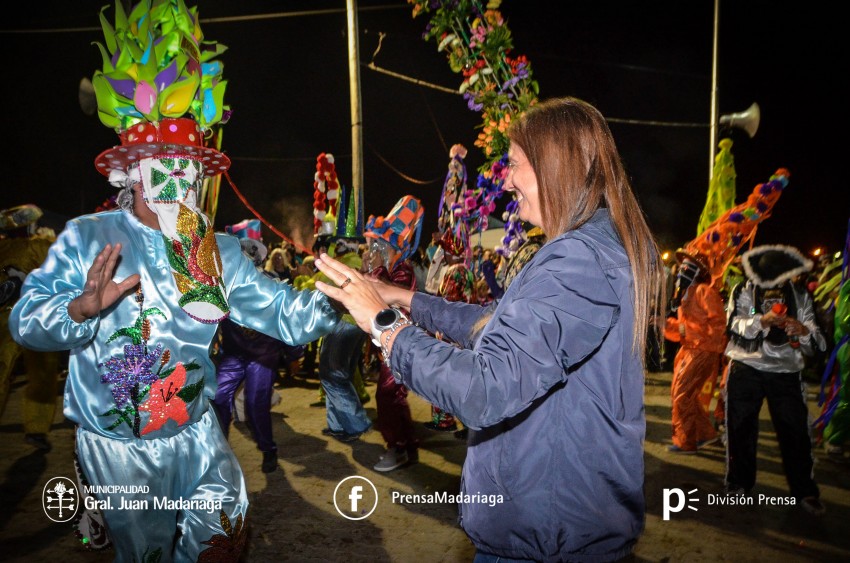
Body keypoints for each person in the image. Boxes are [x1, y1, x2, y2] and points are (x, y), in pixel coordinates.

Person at [8, 2, 339, 559]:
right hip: (117, 454)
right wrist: (80, 310)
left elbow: (284, 312)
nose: (177, 177)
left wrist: (345, 298)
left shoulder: (214, 246)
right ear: (129, 171)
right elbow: (24, 323)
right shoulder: (90, 237)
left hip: (196, 437)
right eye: (161, 162)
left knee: (223, 537)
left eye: (187, 164)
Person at [314, 97, 662, 561]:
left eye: (515, 163)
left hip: (549, 537)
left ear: (555, 164)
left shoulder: (578, 259)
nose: (507, 178)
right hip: (554, 524)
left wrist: (384, 325)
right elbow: (494, 324)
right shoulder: (582, 248)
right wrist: (407, 300)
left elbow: (485, 389)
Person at [724, 244, 827, 515]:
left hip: (786, 371)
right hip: (747, 367)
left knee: (795, 431)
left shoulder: (801, 295)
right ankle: (739, 484)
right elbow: (733, 324)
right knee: (740, 428)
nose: (776, 281)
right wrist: (762, 321)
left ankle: (804, 490)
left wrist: (803, 330)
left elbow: (819, 341)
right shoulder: (743, 291)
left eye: (782, 276)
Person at [213, 220, 288, 473]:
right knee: (218, 396)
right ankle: (219, 447)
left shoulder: (268, 282)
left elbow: (284, 316)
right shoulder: (223, 286)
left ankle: (268, 449)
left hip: (262, 355)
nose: (247, 255)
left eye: (251, 250)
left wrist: (295, 352)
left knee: (257, 404)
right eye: (242, 250)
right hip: (234, 353)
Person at [361, 195, 424, 472]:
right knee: (394, 397)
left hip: (400, 346)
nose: (373, 249)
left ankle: (397, 448)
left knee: (388, 396)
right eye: (373, 244)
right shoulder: (386, 270)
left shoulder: (402, 271)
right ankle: (408, 446)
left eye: (378, 244)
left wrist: (370, 276)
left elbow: (388, 299)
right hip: (389, 345)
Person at [0, 204, 62, 451]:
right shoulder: (43, 246)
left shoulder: (5, 247)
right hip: (37, 319)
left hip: (11, 319)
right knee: (43, 376)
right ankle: (37, 430)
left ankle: (37, 430)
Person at [664, 250, 727, 453]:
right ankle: (705, 435)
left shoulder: (704, 292)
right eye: (681, 267)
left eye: (687, 267)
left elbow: (717, 326)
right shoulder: (687, 295)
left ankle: (686, 442)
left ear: (697, 272)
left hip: (702, 352)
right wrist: (664, 324)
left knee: (682, 395)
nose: (682, 271)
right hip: (689, 350)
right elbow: (683, 328)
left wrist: (683, 330)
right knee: (685, 395)